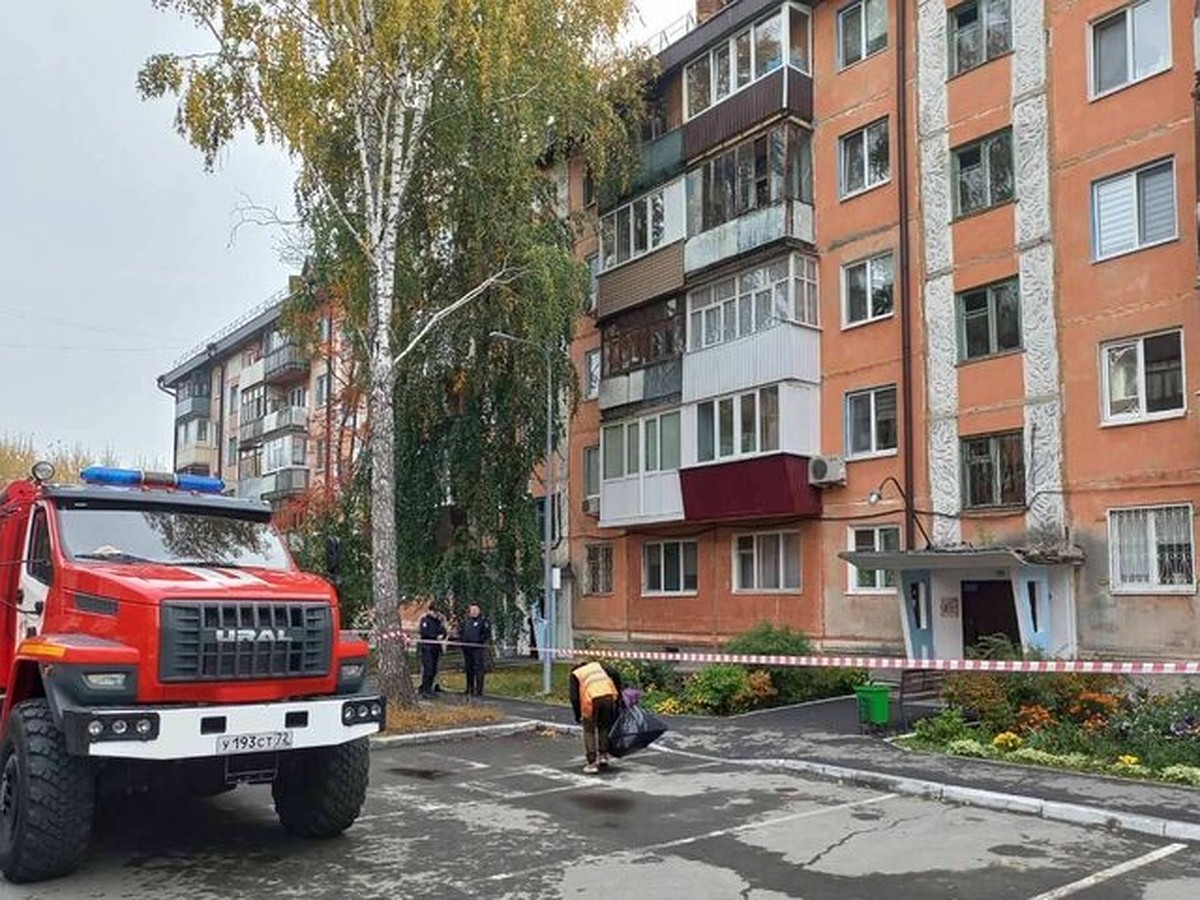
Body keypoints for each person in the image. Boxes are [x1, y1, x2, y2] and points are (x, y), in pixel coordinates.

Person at [569, 659, 624, 774]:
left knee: (589, 730)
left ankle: (592, 763)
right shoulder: (597, 666)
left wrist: (577, 715)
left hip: (592, 699)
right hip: (608, 695)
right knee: (604, 726)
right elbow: (614, 673)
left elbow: (574, 697)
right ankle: (603, 756)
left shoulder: (576, 674)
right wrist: (619, 694)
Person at [457, 604, 492, 698]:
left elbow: (486, 634)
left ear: (479, 610)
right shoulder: (466, 621)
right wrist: (462, 640)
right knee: (469, 668)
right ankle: (469, 688)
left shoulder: (483, 621)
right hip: (467, 649)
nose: (474, 612)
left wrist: (478, 641)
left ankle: (479, 690)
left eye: (476, 610)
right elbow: (460, 631)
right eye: (472, 610)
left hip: (477, 649)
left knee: (479, 669)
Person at [417, 603, 448, 697]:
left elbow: (443, 631)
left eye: (436, 612)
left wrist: (443, 635)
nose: (435, 614)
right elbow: (424, 632)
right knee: (428, 669)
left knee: (434, 670)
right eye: (434, 611)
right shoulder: (425, 620)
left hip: (436, 648)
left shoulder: (438, 621)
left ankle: (429, 688)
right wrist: (435, 636)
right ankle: (424, 689)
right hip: (427, 648)